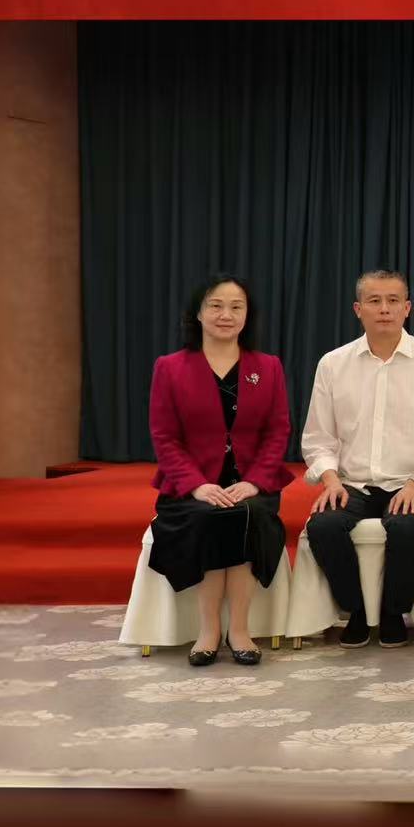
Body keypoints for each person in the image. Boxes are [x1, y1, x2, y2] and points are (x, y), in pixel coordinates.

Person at [301, 270, 414, 649]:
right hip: (351, 483)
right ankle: (356, 610)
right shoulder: (333, 364)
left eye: (393, 301)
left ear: (408, 308)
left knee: (405, 526)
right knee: (323, 526)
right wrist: (330, 480)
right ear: (358, 309)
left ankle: (392, 613)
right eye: (374, 301)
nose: (384, 309)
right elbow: (318, 438)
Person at [146, 274, 292, 666]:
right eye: (215, 305)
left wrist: (255, 481)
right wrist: (196, 485)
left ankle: (239, 630)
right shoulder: (170, 367)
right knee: (208, 516)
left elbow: (278, 431)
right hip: (190, 487)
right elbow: (164, 436)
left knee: (248, 514)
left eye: (236, 307)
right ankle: (208, 630)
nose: (226, 315)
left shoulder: (268, 367)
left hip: (250, 483)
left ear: (247, 315)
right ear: (198, 313)